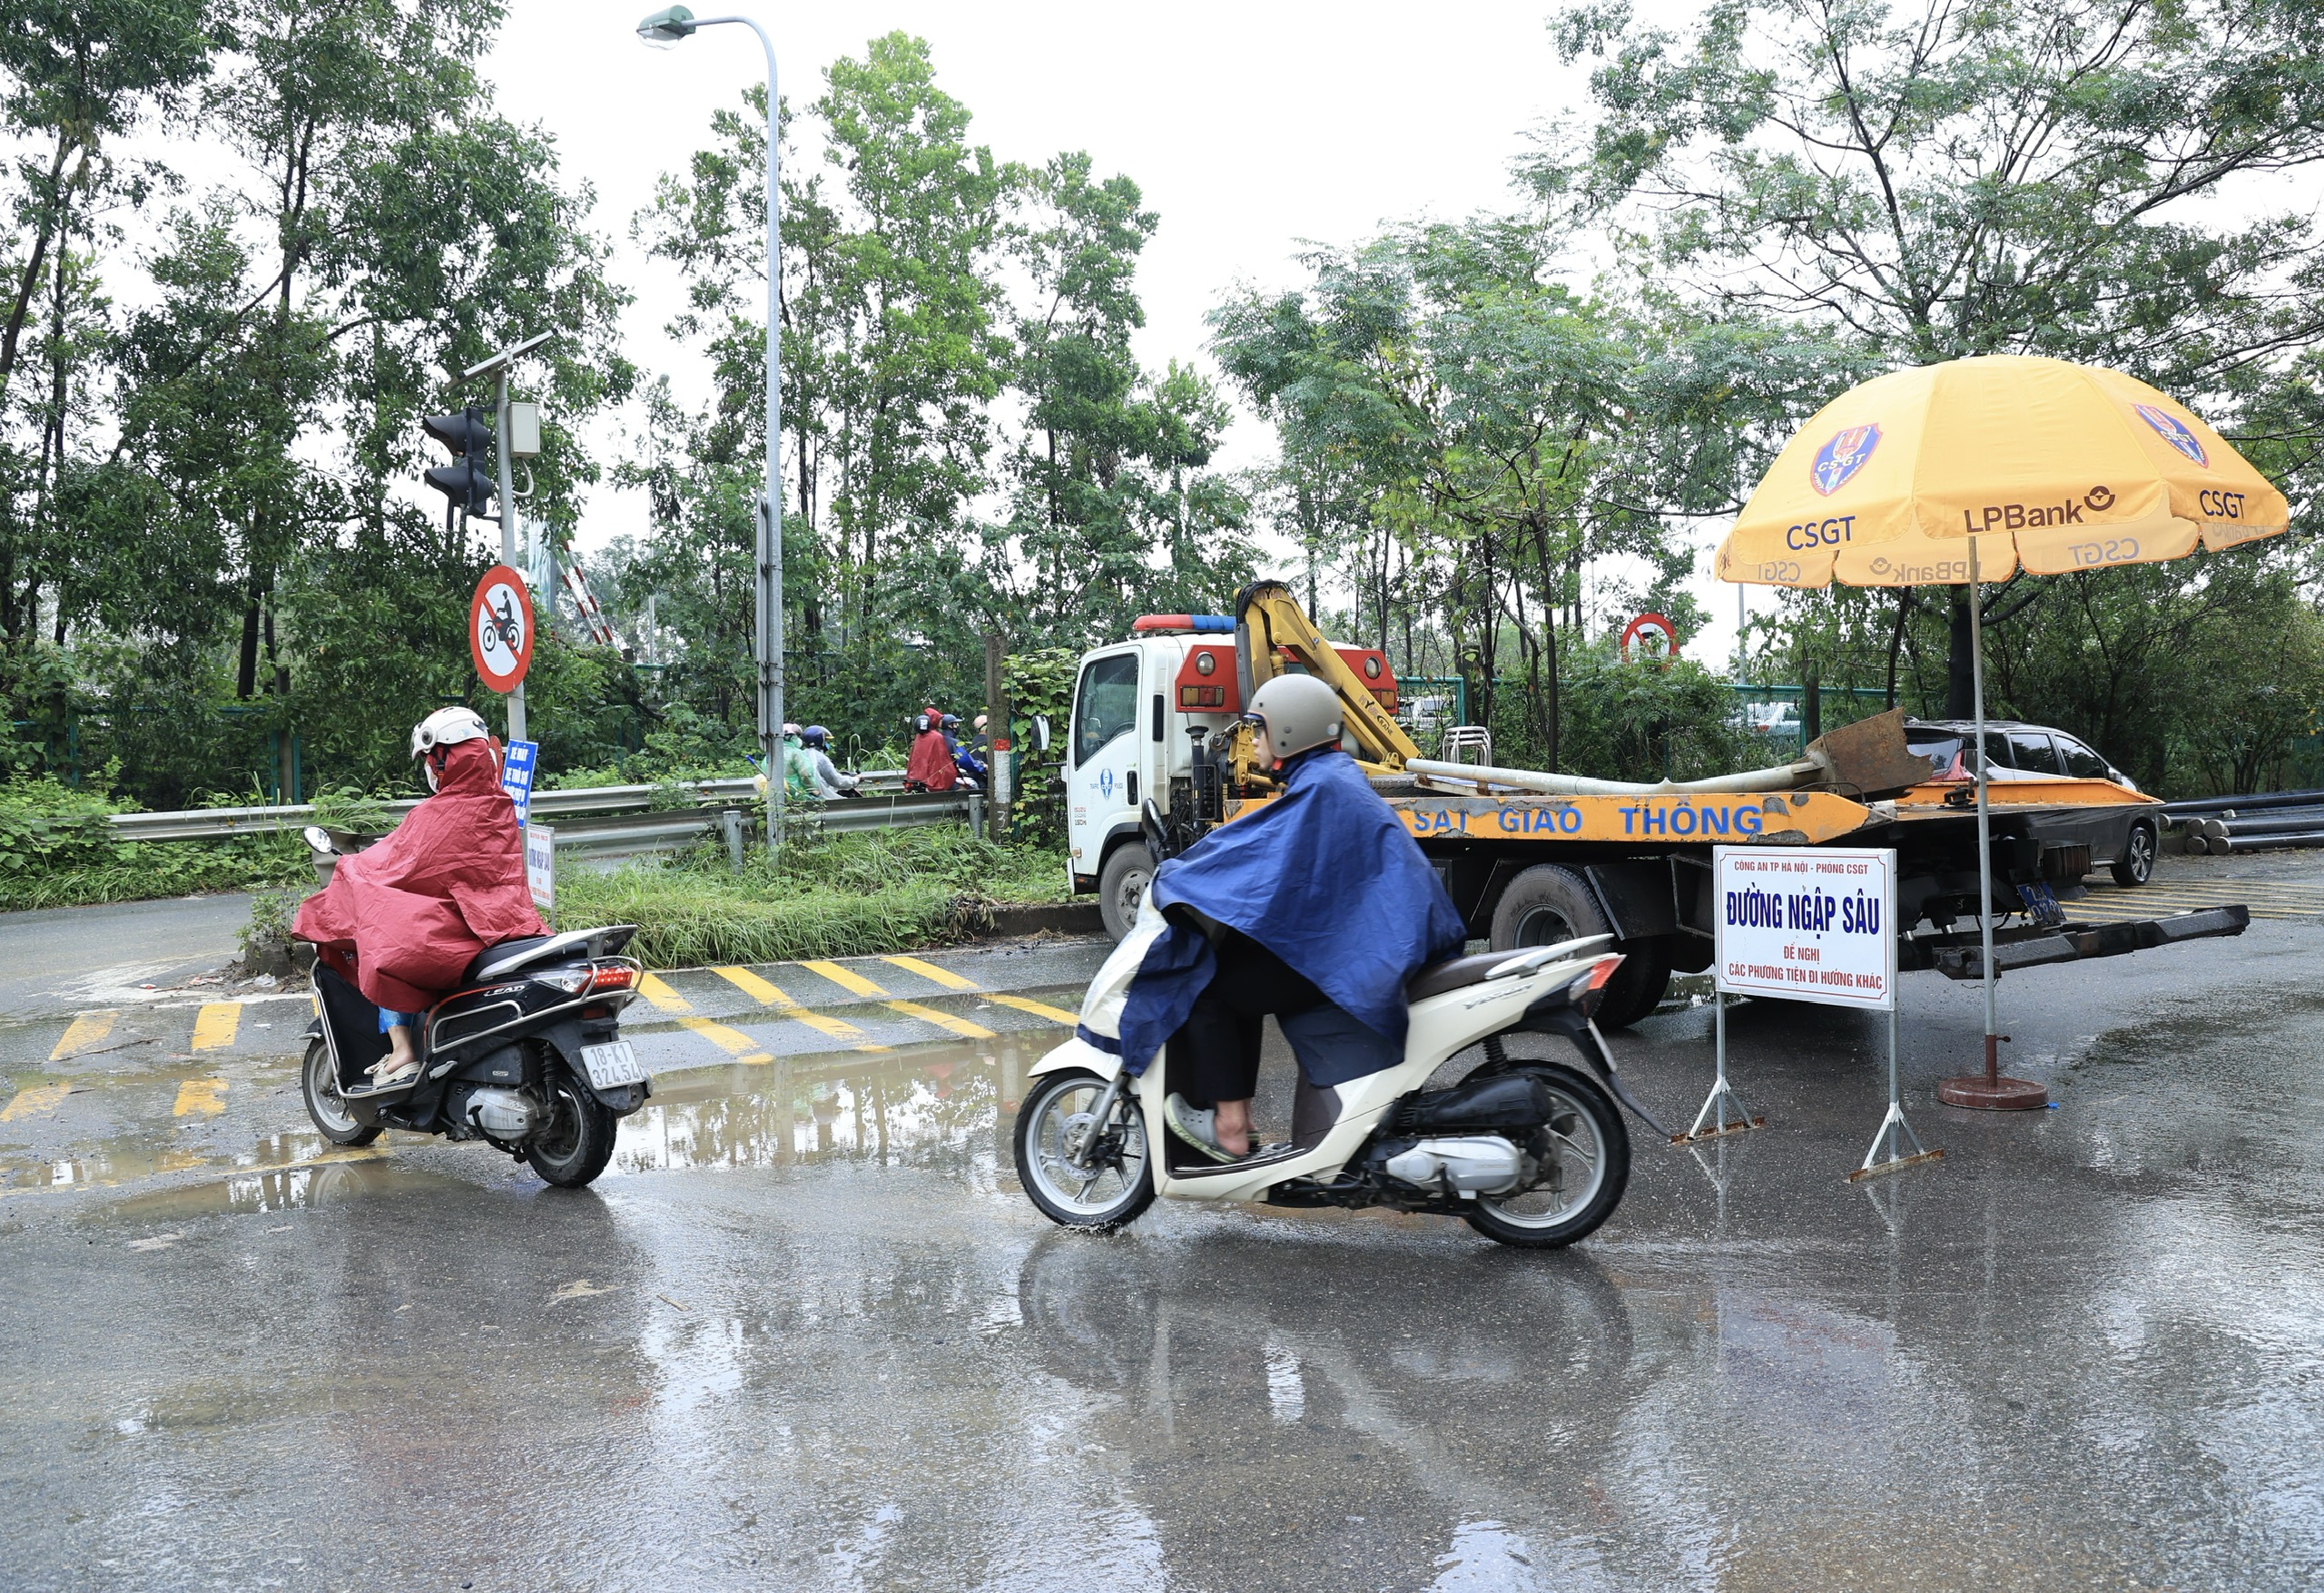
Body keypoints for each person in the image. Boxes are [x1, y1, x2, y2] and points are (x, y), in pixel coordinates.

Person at [1109, 674, 1465, 1160]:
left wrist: (1182, 876)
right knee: (1240, 975)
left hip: (1368, 953)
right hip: (1380, 940)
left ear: (1288, 733)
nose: (1252, 740)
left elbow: (1257, 855)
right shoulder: (1329, 777)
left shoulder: (1320, 787)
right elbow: (1268, 850)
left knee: (1210, 985)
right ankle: (1242, 1120)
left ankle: (1232, 1125)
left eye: (1258, 730)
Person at [292, 707, 547, 1093]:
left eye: (430, 760)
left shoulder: (437, 813)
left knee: (387, 944)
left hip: (457, 929)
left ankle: (401, 1052)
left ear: (440, 759)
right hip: (505, 924)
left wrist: (351, 870)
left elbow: (397, 867)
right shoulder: (499, 806)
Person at [904, 705, 958, 792]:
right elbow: (942, 759)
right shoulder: (936, 736)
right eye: (939, 719)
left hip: (916, 777)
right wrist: (951, 773)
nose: (941, 721)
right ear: (934, 720)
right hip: (931, 779)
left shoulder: (919, 736)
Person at [797, 725, 859, 798]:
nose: (827, 743)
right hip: (822, 798)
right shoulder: (821, 758)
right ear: (820, 740)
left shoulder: (801, 754)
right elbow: (837, 781)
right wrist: (856, 779)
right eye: (826, 740)